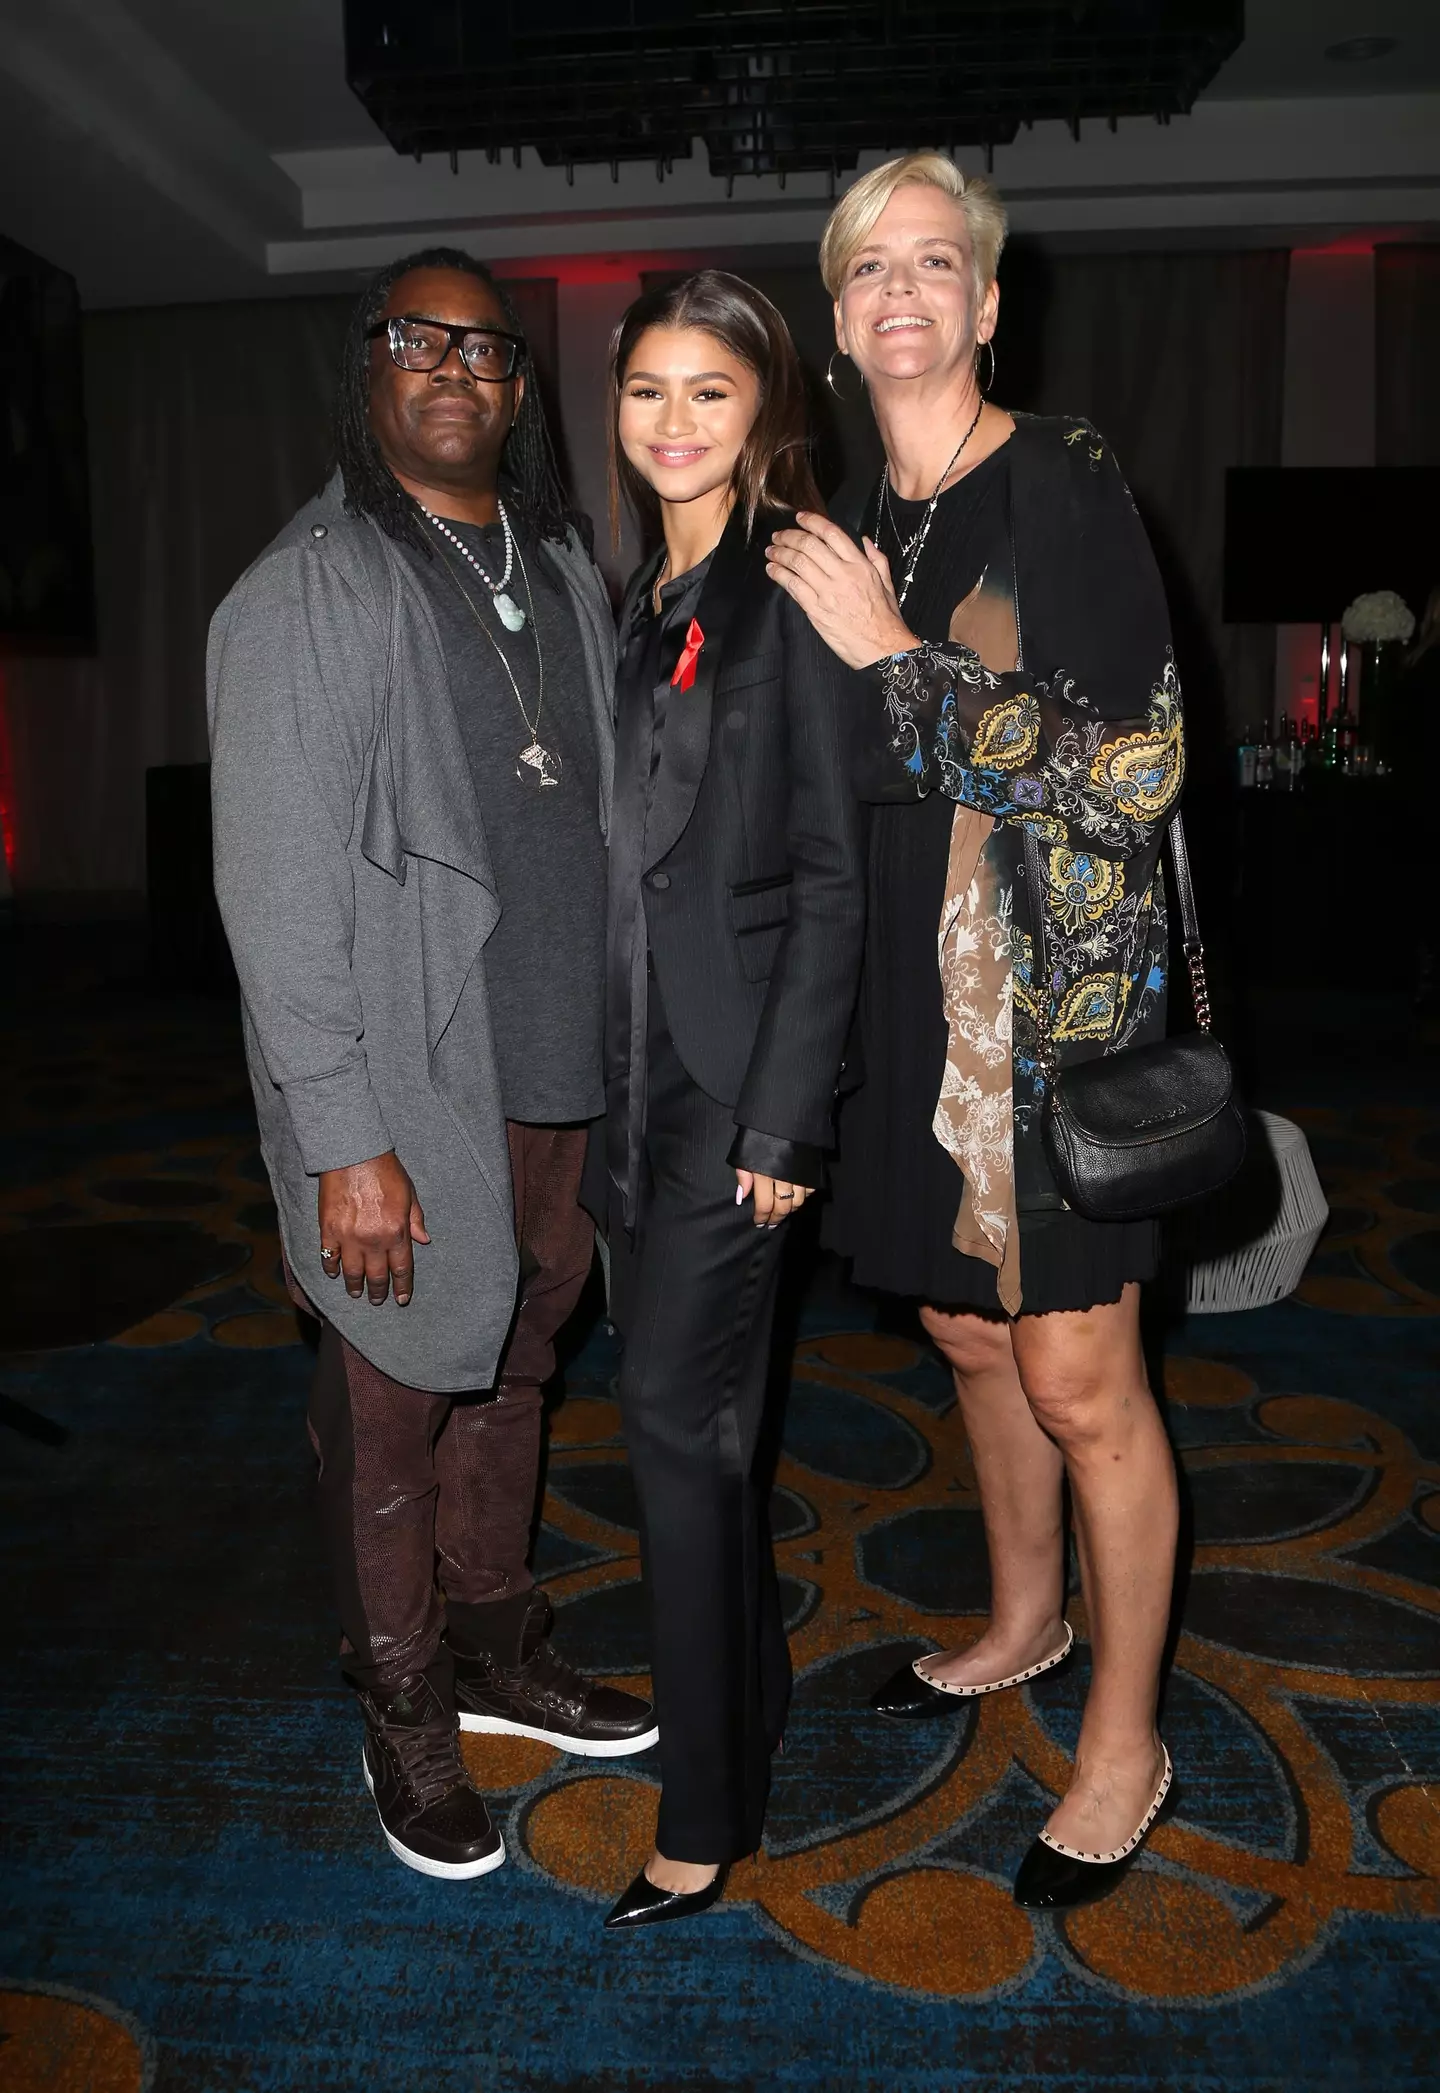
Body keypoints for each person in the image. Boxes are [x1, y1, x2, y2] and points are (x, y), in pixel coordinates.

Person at [767, 156, 1186, 1912]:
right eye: (873, 266)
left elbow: (1137, 770)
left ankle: (1127, 1739)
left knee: (1085, 1378)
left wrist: (893, 655)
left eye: (940, 262)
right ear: (839, 310)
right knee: (959, 1323)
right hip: (907, 1002)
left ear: (991, 303)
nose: (906, 291)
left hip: (1051, 1016)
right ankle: (1021, 1620)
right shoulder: (863, 507)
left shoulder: (1061, 481)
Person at [208, 247, 655, 1884]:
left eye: (490, 347)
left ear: (521, 387)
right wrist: (345, 1141)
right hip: (408, 1092)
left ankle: (493, 1647)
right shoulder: (308, 590)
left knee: (517, 1365)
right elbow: (270, 895)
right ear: (369, 367)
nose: (458, 368)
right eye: (421, 339)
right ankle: (401, 1698)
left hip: (557, 1071)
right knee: (391, 1410)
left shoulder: (558, 557)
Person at [597, 272, 866, 1929]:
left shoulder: (793, 588)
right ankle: (746, 1707)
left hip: (733, 1091)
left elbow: (838, 878)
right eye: (645, 389)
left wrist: (787, 1120)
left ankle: (703, 1813)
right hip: (638, 1074)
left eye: (709, 390)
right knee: (703, 1432)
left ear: (763, 407)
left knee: (672, 1439)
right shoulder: (650, 589)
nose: (674, 421)